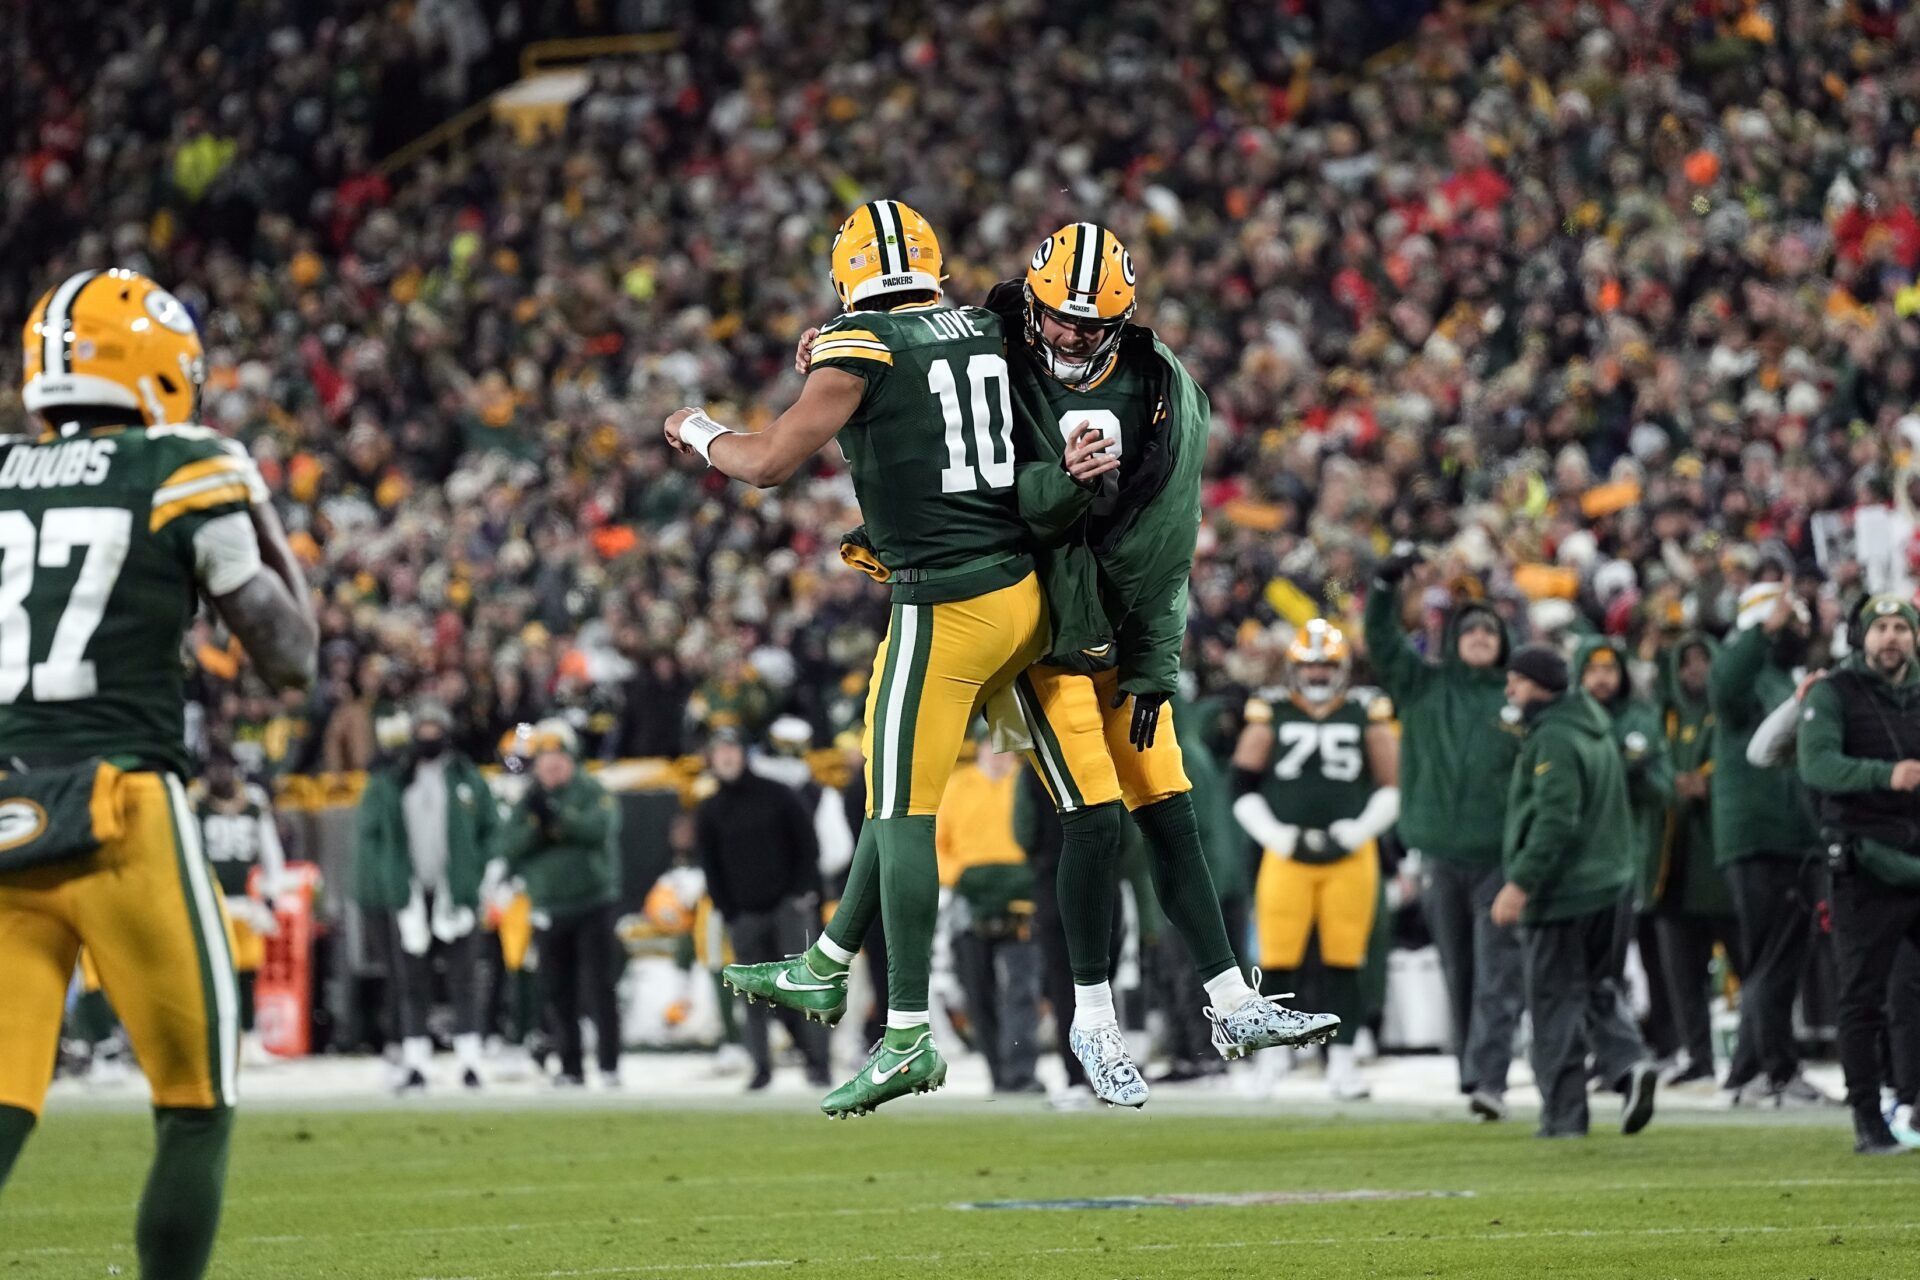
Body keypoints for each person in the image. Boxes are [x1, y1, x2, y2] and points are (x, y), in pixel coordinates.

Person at [724, 222, 1334, 1111]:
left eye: (1092, 325)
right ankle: (1089, 1021)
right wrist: (833, 352)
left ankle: (1222, 1000)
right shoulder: (993, 336)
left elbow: (1166, 549)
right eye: (1057, 317)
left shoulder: (1160, 395)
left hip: (1097, 627)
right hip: (1041, 620)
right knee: (1061, 816)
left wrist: (1156, 662)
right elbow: (977, 440)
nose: (1072, 336)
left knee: (1160, 810)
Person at [670, 199, 1119, 1116]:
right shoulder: (992, 324)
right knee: (889, 784)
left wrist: (694, 429)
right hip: (1019, 587)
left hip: (943, 599)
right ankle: (828, 961)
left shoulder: (861, 345)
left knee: (904, 812)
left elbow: (763, 463)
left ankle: (906, 1030)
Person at [0, 268, 318, 1280]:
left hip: (2, 803)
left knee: (6, 1092)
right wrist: (257, 505)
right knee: (195, 1093)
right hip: (122, 801)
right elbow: (289, 652)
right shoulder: (182, 464)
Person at [1364, 551, 1525, 1120]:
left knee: (1496, 971)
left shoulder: (1519, 699)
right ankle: (1474, 1072)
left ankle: (1491, 1080)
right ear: (1453, 637)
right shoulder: (1421, 686)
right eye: (1471, 628)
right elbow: (1381, 641)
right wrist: (1385, 584)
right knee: (1461, 969)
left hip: (1500, 859)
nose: (1481, 636)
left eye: (1490, 629)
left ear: (1505, 641)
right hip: (1438, 854)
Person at [1492, 645, 1659, 1139]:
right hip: (1611, 885)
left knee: (1553, 1004)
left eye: (1516, 681)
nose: (1509, 690)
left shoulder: (1555, 738)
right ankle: (1628, 1065)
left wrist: (1520, 883)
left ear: (1539, 684)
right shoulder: (1593, 726)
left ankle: (1564, 1117)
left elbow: (1555, 820)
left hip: (1564, 894)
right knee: (1595, 987)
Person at [1232, 620, 1400, 1101]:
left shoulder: (1366, 711)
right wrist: (1275, 835)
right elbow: (1241, 787)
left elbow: (1393, 785)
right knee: (1276, 958)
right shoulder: (1273, 711)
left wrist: (1362, 828)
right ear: (1294, 667)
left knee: (1345, 960)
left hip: (1351, 853)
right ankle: (1272, 1057)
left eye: (1328, 664)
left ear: (1343, 667)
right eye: (1311, 665)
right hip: (1287, 854)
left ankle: (1342, 1062)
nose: (1320, 674)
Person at [1795, 594, 1920, 1154]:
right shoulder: (1833, 692)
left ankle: (1910, 1101)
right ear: (1860, 637)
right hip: (1865, 863)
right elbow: (1817, 765)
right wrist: (1884, 774)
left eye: (1901, 627)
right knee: (1862, 996)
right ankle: (1868, 1119)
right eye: (1880, 628)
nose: (1890, 638)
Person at [1709, 583, 1831, 1106]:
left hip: (1788, 835)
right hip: (1762, 836)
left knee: (1773, 957)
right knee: (1774, 959)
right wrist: (1763, 627)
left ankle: (1746, 1073)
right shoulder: (1745, 672)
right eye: (1788, 619)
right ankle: (1776, 1071)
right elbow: (1724, 687)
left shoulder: (1781, 676)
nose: (1796, 627)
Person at [353, 699, 500, 1091]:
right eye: (423, 730)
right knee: (410, 981)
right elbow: (374, 837)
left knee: (464, 979)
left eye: (436, 729)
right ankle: (416, 1061)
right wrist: (393, 886)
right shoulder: (395, 780)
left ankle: (471, 1061)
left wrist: (476, 876)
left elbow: (490, 829)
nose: (429, 737)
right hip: (412, 892)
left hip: (455, 892)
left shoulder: (466, 777)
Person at [694, 729, 830, 1090]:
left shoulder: (777, 794)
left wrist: (802, 892)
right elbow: (710, 865)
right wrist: (728, 909)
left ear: (744, 754)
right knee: (753, 995)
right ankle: (761, 1067)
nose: (726, 758)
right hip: (744, 913)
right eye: (719, 751)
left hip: (788, 905)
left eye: (731, 750)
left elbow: (807, 843)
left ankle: (818, 1064)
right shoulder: (710, 809)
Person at [495, 721, 623, 1087]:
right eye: (544, 760)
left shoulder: (590, 789)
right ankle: (570, 1067)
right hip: (549, 906)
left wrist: (556, 822)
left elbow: (597, 829)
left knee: (600, 987)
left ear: (571, 760)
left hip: (593, 902)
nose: (551, 767)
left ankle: (609, 1066)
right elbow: (509, 845)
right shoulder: (530, 800)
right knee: (557, 990)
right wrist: (541, 828)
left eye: (558, 759)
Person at [1573, 639, 1679, 1065]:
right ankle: (1593, 1052)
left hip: (1630, 857)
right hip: (1578, 863)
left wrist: (1631, 775)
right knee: (1587, 968)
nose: (1601, 679)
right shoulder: (1567, 722)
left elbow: (1665, 788)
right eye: (1593, 669)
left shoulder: (1641, 718)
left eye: (1609, 669)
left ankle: (1656, 1047)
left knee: (1632, 963)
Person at [1651, 633, 1742, 1086]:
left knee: (1747, 967)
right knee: (1681, 975)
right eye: (1686, 662)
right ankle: (1697, 1055)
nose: (1694, 670)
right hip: (1672, 866)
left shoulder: (1725, 714)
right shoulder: (1661, 717)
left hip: (1719, 866)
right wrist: (1677, 785)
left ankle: (1756, 1056)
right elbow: (1654, 768)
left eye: (1703, 660)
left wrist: (1693, 782)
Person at [936, 746, 1041, 1095]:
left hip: (1021, 897)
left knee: (1022, 989)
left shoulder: (1031, 781)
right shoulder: (956, 785)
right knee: (977, 989)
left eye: (1007, 749)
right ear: (979, 748)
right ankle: (998, 1071)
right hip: (970, 898)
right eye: (993, 747)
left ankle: (1020, 1072)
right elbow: (936, 844)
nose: (999, 755)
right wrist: (958, 875)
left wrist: (1031, 876)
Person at [196, 747, 289, 1066]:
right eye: (215, 768)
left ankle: (250, 1040)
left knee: (247, 974)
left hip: (245, 904)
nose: (221, 775)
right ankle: (218, 1041)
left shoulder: (252, 804)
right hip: (211, 903)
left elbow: (270, 849)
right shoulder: (196, 806)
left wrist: (272, 891)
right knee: (213, 976)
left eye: (226, 768)